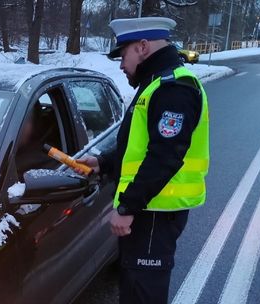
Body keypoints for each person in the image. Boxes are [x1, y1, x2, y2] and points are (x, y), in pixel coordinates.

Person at [76, 17, 209, 304]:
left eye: (123, 55)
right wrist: (104, 162)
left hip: (154, 213)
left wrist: (127, 206)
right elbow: (141, 148)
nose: (122, 65)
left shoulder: (174, 89)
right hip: (151, 210)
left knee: (142, 295)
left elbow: (164, 156)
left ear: (143, 46)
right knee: (134, 288)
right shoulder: (156, 83)